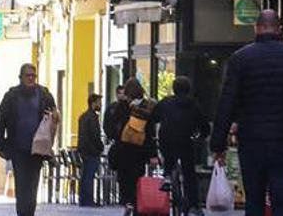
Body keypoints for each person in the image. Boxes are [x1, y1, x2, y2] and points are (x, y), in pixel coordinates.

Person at [211, 10, 283, 216]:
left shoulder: (240, 59)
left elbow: (227, 102)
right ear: (280, 29)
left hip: (251, 139)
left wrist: (218, 144)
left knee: (254, 198)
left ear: (256, 28)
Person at [0, 64, 58, 216]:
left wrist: (49, 144)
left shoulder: (44, 95)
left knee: (33, 186)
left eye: (33, 76)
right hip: (18, 149)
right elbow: (1, 121)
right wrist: (0, 146)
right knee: (22, 185)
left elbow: (54, 119)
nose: (30, 78)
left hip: (37, 149)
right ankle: (23, 213)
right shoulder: (11, 96)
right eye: (27, 75)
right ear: (20, 77)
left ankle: (29, 212)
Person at [153, 76, 211, 216]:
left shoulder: (165, 102)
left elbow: (154, 117)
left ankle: (167, 176)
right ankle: (193, 206)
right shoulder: (193, 104)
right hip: (186, 140)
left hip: (166, 139)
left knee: (168, 156)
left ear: (173, 88)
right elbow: (204, 126)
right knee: (189, 174)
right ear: (189, 89)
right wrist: (200, 137)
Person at [106, 78, 159, 216]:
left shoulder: (122, 106)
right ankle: (136, 204)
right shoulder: (147, 107)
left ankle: (128, 202)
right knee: (137, 178)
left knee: (124, 179)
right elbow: (150, 132)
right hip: (139, 151)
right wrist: (153, 154)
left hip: (123, 150)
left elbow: (112, 126)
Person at [77, 93, 104, 207]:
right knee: (89, 176)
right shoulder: (92, 118)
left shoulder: (83, 116)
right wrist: (100, 147)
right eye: (99, 102)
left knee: (85, 176)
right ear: (93, 103)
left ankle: (83, 199)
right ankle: (88, 200)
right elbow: (95, 135)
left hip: (84, 150)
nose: (100, 104)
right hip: (92, 151)